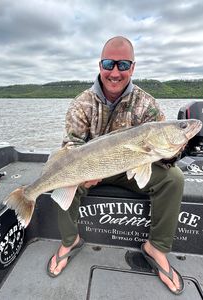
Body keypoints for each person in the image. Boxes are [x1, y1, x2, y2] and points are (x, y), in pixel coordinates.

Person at [47, 36, 185, 295]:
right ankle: (70, 241)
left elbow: (165, 152)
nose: (115, 72)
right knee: (63, 176)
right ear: (100, 65)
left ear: (132, 68)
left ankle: (156, 248)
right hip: (89, 169)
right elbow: (71, 148)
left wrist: (173, 151)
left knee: (174, 178)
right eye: (109, 63)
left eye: (123, 65)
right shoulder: (81, 103)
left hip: (129, 169)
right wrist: (84, 175)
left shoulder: (147, 105)